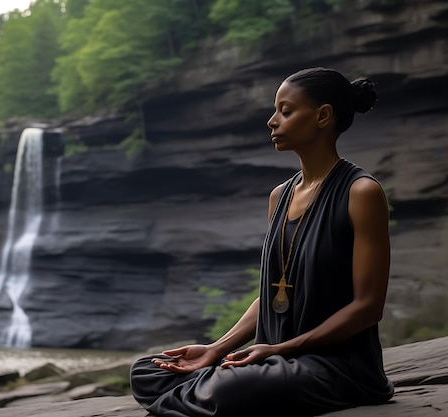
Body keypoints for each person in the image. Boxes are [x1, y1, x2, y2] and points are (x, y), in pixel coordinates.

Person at [130, 67, 394, 416]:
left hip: (335, 367)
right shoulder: (279, 196)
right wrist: (216, 349)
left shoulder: (360, 193)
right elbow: (273, 295)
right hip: (272, 361)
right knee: (146, 371)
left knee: (235, 386)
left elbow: (368, 307)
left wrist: (281, 349)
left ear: (323, 116)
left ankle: (210, 393)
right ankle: (208, 389)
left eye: (285, 111)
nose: (272, 121)